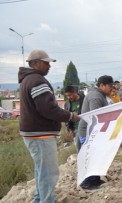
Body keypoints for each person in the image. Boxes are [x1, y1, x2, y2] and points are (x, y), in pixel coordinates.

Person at [18, 49, 80, 202]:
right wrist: (71, 115)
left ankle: (39, 199)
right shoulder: (37, 81)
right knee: (48, 174)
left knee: (42, 171)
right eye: (46, 63)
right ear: (35, 63)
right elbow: (48, 109)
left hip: (34, 134)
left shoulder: (28, 80)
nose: (49, 66)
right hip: (40, 135)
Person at [77, 75, 114, 190]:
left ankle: (95, 181)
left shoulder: (100, 95)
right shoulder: (95, 97)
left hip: (94, 131)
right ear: (102, 85)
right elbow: (96, 116)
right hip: (88, 132)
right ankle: (86, 184)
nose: (111, 89)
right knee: (90, 158)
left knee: (96, 157)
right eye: (110, 86)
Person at [64, 85, 84, 150]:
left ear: (75, 92)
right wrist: (70, 129)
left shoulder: (84, 100)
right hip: (75, 129)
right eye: (67, 96)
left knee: (82, 147)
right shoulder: (67, 103)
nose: (68, 97)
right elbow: (66, 118)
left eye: (70, 95)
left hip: (84, 128)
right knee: (79, 148)